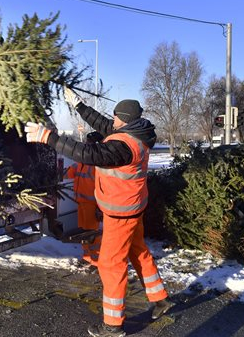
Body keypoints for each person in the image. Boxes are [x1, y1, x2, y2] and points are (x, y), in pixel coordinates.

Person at [25, 88, 174, 337]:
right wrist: (79, 105)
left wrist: (48, 138)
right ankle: (160, 298)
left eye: (116, 117)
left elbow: (88, 154)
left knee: (110, 265)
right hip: (132, 209)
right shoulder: (135, 133)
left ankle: (113, 326)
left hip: (120, 215)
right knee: (138, 251)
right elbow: (104, 124)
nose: (112, 121)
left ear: (125, 120)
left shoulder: (123, 147)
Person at [63, 131, 104, 270]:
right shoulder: (82, 161)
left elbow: (103, 187)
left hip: (93, 205)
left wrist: (100, 208)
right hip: (81, 203)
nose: (86, 146)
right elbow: (68, 173)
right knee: (84, 232)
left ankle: (97, 261)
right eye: (86, 143)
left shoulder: (99, 165)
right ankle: (87, 257)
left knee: (93, 234)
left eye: (89, 144)